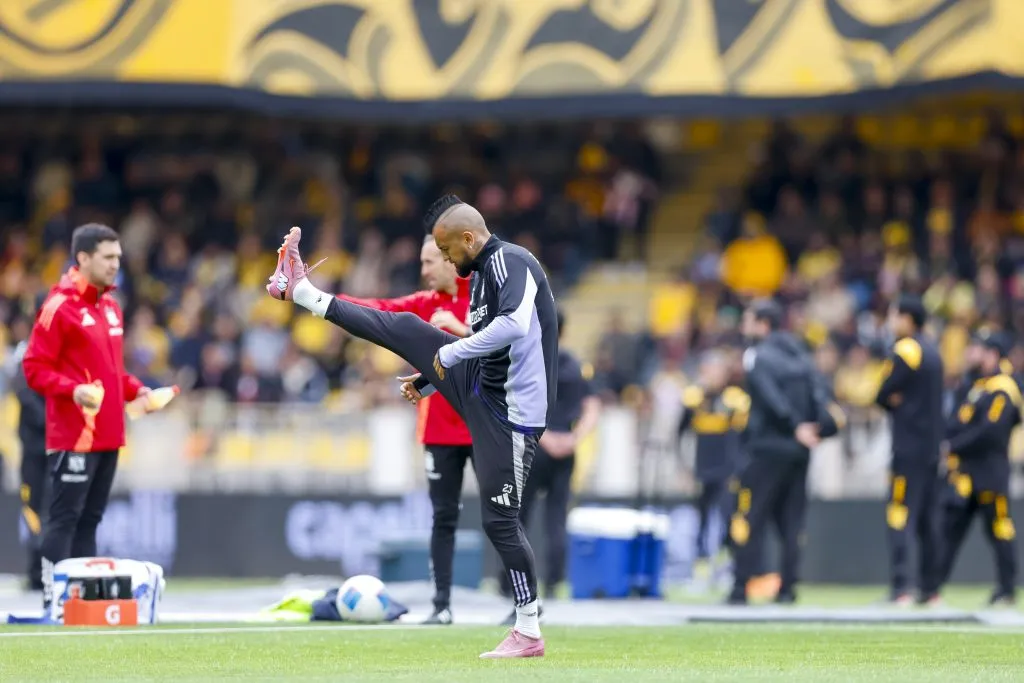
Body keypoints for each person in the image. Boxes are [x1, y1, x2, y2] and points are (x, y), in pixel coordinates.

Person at [266, 194, 557, 659]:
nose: (445, 261)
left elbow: (514, 326)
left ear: (468, 239)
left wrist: (450, 355)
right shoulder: (483, 273)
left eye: (446, 251)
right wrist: (430, 380)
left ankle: (528, 630)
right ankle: (301, 291)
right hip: (482, 386)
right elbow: (489, 346)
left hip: (511, 415)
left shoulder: (510, 261)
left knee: (499, 522)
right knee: (403, 327)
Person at [337, 235, 473, 625]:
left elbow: (507, 344)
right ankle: (441, 606)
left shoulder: (482, 299)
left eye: (429, 262)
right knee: (443, 518)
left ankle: (523, 603)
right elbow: (380, 309)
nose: (423, 270)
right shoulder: (424, 304)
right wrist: (325, 301)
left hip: (482, 423)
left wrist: (463, 330)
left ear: (450, 261)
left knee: (502, 517)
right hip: (439, 431)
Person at [22, 224, 150, 610]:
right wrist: (71, 389)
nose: (115, 265)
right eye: (107, 257)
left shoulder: (111, 306)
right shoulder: (58, 306)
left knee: (90, 520)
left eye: (118, 258)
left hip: (109, 435)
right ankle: (53, 600)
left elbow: (112, 373)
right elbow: (33, 368)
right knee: (64, 519)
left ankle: (80, 604)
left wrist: (137, 390)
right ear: (83, 258)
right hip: (73, 436)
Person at [727, 299, 843, 605]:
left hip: (767, 448)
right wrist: (816, 428)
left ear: (763, 324)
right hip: (800, 451)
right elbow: (821, 395)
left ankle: (740, 587)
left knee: (750, 516)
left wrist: (794, 426)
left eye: (748, 320)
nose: (743, 326)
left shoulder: (757, 355)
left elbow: (770, 396)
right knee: (792, 522)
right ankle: (788, 588)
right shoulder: (801, 355)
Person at [498, 307, 600, 618]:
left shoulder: (526, 361)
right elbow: (592, 407)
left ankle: (510, 583)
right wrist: (574, 438)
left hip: (534, 445)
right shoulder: (576, 365)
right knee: (556, 518)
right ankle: (555, 582)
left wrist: (544, 438)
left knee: (518, 516)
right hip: (565, 449)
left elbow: (516, 405)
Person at [874, 294, 945, 605]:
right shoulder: (933, 350)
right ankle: (931, 589)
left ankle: (901, 587)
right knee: (929, 521)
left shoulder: (906, 349)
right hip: (931, 449)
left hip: (907, 448)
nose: (890, 322)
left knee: (900, 514)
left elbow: (882, 393)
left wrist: (895, 401)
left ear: (906, 318)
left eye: (893, 315)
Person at [939, 332, 1018, 605]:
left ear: (992, 354)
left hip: (990, 475)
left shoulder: (1003, 387)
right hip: (965, 475)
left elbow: (991, 432)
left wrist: (953, 445)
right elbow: (956, 422)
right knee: (949, 531)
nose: (970, 353)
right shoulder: (974, 386)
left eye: (977, 349)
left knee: (1000, 529)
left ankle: (1007, 590)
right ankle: (930, 588)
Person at [677, 351, 749, 582]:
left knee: (729, 514)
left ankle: (727, 561)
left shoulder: (734, 399)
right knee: (702, 515)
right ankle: (700, 563)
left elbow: (741, 438)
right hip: (703, 466)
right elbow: (680, 433)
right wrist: (683, 467)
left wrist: (738, 468)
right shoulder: (694, 398)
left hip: (727, 468)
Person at [13, 339, 47, 591]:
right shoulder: (28, 353)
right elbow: (23, 393)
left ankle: (47, 567)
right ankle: (37, 568)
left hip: (53, 450)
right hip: (34, 452)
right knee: (33, 509)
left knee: (51, 510)